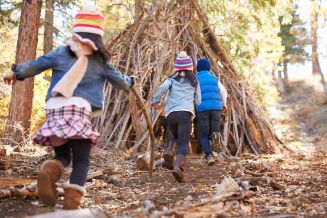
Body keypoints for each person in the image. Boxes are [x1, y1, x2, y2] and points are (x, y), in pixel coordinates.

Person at [4, 5, 134, 209]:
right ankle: (72, 201)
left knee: (63, 156)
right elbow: (121, 83)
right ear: (98, 36)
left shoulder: (60, 53)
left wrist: (15, 73)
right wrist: (131, 82)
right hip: (79, 111)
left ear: (75, 32)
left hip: (55, 110)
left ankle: (48, 172)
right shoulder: (100, 61)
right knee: (81, 160)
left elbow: (36, 64)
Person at [150, 51, 201, 183]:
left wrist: (155, 101)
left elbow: (162, 88)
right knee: (183, 142)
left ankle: (168, 151)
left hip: (171, 115)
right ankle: (178, 167)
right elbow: (198, 101)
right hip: (185, 114)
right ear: (190, 67)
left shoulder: (170, 80)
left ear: (177, 67)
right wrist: (192, 100)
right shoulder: (194, 81)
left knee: (175, 137)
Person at [195, 58, 227, 166]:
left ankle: (209, 156)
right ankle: (215, 139)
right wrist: (224, 104)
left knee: (203, 134)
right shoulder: (214, 79)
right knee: (213, 132)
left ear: (197, 69)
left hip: (202, 108)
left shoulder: (196, 79)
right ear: (209, 68)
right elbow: (223, 90)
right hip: (216, 107)